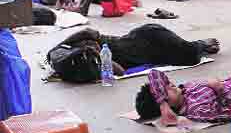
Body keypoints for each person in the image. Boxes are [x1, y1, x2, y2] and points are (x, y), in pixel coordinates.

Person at [49, 24, 220, 82]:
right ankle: (200, 45)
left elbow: (89, 32)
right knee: (189, 58)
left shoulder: (60, 51)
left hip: (149, 35)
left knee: (188, 54)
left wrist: (61, 45)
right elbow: (120, 72)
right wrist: (99, 54)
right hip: (150, 54)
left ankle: (201, 43)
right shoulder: (88, 65)